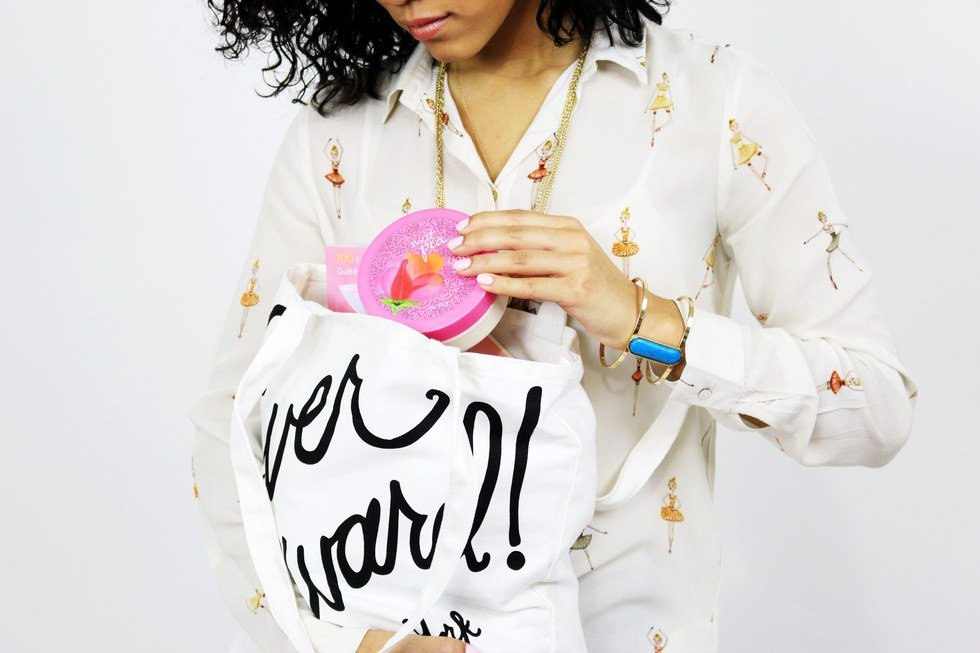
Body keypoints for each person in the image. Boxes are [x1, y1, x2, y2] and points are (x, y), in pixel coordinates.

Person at [186, 1, 918, 652]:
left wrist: (642, 319)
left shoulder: (712, 98)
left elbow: (876, 407)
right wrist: (347, 645)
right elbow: (232, 423)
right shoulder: (339, 135)